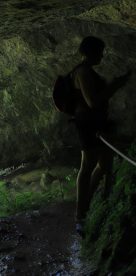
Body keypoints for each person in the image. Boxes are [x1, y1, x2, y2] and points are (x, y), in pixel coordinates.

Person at [71, 36, 131, 235]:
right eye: (100, 52)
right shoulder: (84, 72)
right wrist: (115, 86)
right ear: (92, 52)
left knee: (103, 165)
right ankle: (80, 215)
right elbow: (92, 102)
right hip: (88, 124)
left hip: (97, 123)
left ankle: (87, 203)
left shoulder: (86, 70)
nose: (102, 56)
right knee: (87, 166)